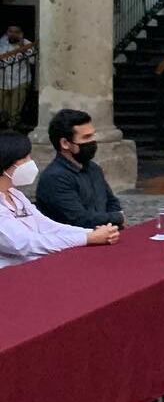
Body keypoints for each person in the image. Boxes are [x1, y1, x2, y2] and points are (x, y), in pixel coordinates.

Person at [0, 131, 118, 268]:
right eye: (25, 159)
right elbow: (26, 243)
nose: (30, 162)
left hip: (34, 265)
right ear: (5, 165)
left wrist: (93, 232)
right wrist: (87, 238)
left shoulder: (15, 195)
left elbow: (48, 226)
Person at [35, 108, 125, 229]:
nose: (93, 141)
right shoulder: (55, 177)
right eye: (86, 137)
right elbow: (78, 219)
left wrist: (111, 223)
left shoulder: (93, 168)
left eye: (92, 135)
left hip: (104, 234)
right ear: (65, 143)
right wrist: (117, 218)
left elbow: (111, 202)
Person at [0, 25, 34, 126]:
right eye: (10, 31)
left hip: (20, 81)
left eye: (16, 32)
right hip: (2, 81)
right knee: (3, 109)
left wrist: (22, 47)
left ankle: (13, 130)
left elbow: (33, 61)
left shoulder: (27, 44)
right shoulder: (2, 42)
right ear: (7, 32)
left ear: (21, 33)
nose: (13, 34)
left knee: (15, 109)